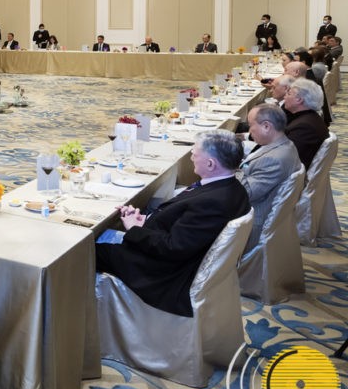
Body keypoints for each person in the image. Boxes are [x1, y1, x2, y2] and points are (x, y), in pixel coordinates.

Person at [95, 130, 250, 317]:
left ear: (210, 164)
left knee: (86, 251)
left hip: (166, 275)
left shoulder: (212, 202)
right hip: (181, 257)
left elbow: (173, 248)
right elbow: (186, 230)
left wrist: (135, 229)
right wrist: (146, 220)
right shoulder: (233, 188)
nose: (191, 157)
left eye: (195, 153)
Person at [239, 104, 302, 250]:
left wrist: (228, 167)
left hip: (251, 222)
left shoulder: (273, 160)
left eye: (251, 125)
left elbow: (243, 193)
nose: (249, 131)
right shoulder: (286, 144)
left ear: (266, 126)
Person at [283, 79, 329, 169]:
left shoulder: (304, 127)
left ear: (299, 100)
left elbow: (285, 156)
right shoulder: (311, 118)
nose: (285, 97)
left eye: (289, 94)